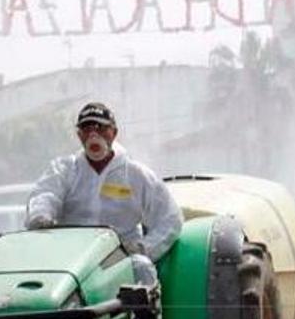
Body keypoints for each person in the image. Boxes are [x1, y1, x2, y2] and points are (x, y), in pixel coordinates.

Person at [26, 102, 183, 283]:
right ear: (79, 135)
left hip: (117, 260)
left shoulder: (136, 174)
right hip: (71, 259)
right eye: (87, 128)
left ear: (114, 133)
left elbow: (170, 219)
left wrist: (142, 248)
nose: (94, 134)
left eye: (101, 127)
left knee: (140, 267)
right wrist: (40, 217)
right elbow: (44, 195)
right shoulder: (65, 169)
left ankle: (143, 312)